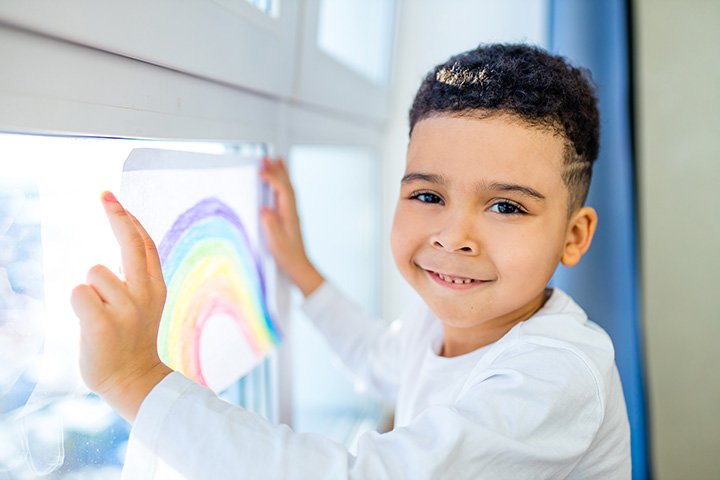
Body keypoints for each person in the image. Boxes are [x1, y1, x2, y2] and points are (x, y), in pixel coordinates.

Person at [71, 44, 631, 479]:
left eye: (506, 206)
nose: (454, 237)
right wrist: (300, 267)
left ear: (574, 237)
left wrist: (135, 378)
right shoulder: (442, 324)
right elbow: (373, 355)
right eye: (429, 196)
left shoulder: (558, 374)